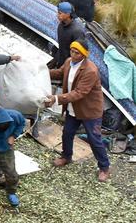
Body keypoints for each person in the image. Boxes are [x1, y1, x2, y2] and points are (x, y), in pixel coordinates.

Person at [44, 40, 110, 182]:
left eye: (77, 53)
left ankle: (104, 167)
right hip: (73, 108)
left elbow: (80, 92)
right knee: (67, 133)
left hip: (89, 111)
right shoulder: (68, 62)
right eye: (72, 51)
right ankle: (66, 156)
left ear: (84, 55)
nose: (73, 55)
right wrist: (43, 71)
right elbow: (59, 73)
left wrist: (56, 98)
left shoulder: (90, 70)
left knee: (94, 139)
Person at [50, 1, 86, 69]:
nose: (57, 15)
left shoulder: (77, 31)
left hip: (69, 64)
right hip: (60, 57)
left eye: (60, 13)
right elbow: (61, 46)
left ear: (68, 14)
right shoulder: (61, 25)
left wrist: (67, 66)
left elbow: (80, 53)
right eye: (57, 12)